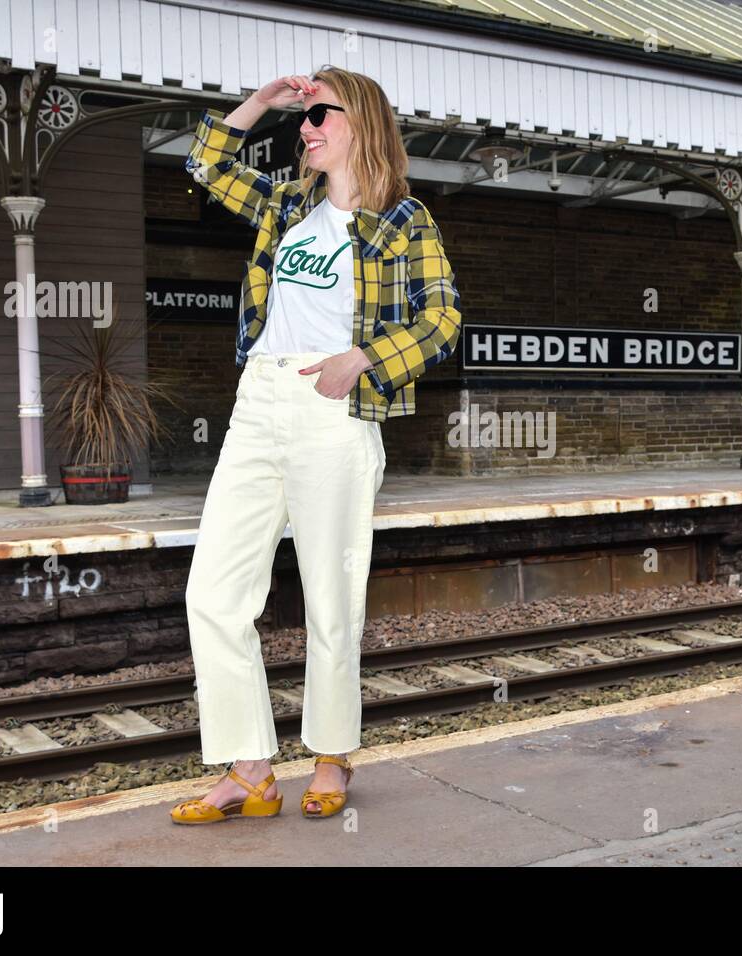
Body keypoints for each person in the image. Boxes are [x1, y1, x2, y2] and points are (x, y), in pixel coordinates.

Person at [171, 67, 462, 824]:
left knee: (333, 596)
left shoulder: (404, 219)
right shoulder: (288, 203)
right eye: (301, 117)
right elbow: (205, 163)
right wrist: (261, 103)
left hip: (334, 409)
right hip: (260, 400)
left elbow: (442, 320)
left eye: (318, 115)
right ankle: (251, 770)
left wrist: (363, 359)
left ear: (360, 121)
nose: (305, 128)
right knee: (212, 592)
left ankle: (331, 755)